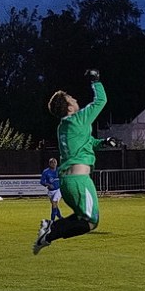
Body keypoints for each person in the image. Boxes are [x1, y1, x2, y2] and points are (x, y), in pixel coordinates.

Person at [32, 69, 119, 255]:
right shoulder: (78, 119)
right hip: (79, 180)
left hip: (67, 182)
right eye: (72, 99)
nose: (76, 99)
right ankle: (49, 233)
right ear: (69, 108)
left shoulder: (64, 126)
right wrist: (96, 80)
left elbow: (86, 144)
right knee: (91, 222)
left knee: (83, 218)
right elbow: (100, 101)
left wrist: (103, 142)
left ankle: (50, 229)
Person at [40, 157, 65, 222]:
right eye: (52, 162)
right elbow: (42, 182)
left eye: (55, 162)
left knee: (54, 203)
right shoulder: (46, 172)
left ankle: (52, 221)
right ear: (49, 164)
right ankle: (60, 218)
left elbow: (64, 177)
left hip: (58, 189)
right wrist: (48, 184)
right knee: (55, 205)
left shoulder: (59, 170)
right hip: (50, 191)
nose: (53, 164)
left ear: (56, 163)